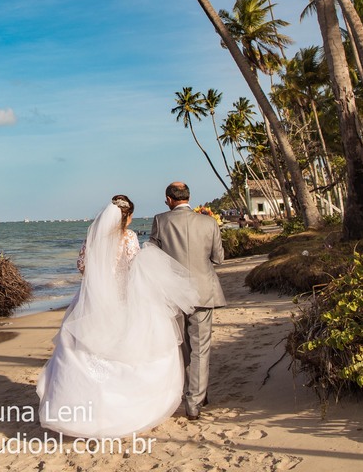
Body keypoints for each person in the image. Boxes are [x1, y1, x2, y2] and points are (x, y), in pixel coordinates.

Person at [37, 195, 198, 439]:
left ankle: (76, 409)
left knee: (81, 350)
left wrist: (100, 276)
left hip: (91, 301)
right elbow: (133, 266)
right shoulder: (130, 237)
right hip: (122, 299)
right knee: (125, 350)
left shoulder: (93, 236)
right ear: (128, 216)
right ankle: (124, 411)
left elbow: (82, 265)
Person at [149, 181, 226, 420]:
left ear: (169, 199)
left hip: (174, 294)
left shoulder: (161, 221)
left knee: (183, 347)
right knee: (201, 349)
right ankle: (196, 400)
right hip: (204, 291)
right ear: (188, 197)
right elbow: (219, 258)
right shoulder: (209, 222)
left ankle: (192, 394)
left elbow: (153, 256)